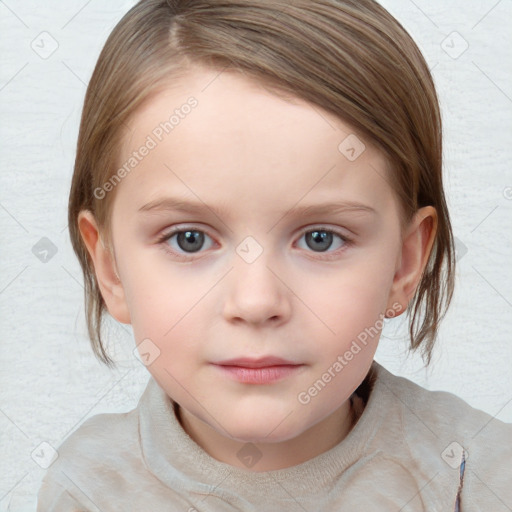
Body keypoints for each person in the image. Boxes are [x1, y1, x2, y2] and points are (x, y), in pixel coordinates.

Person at [36, 0, 511, 510]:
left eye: (320, 239)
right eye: (189, 239)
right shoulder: (88, 489)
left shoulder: (475, 475)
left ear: (404, 264)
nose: (256, 301)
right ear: (110, 271)